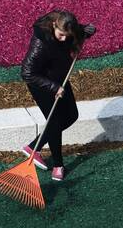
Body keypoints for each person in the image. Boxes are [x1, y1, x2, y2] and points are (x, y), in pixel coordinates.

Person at [20, 10, 95, 181]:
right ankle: (58, 166)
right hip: (43, 84)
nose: (63, 39)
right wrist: (53, 87)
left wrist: (87, 31)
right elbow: (26, 72)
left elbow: (82, 31)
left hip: (60, 79)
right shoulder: (41, 41)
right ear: (54, 25)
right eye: (61, 35)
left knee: (71, 116)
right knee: (54, 122)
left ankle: (34, 147)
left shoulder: (68, 30)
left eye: (66, 36)